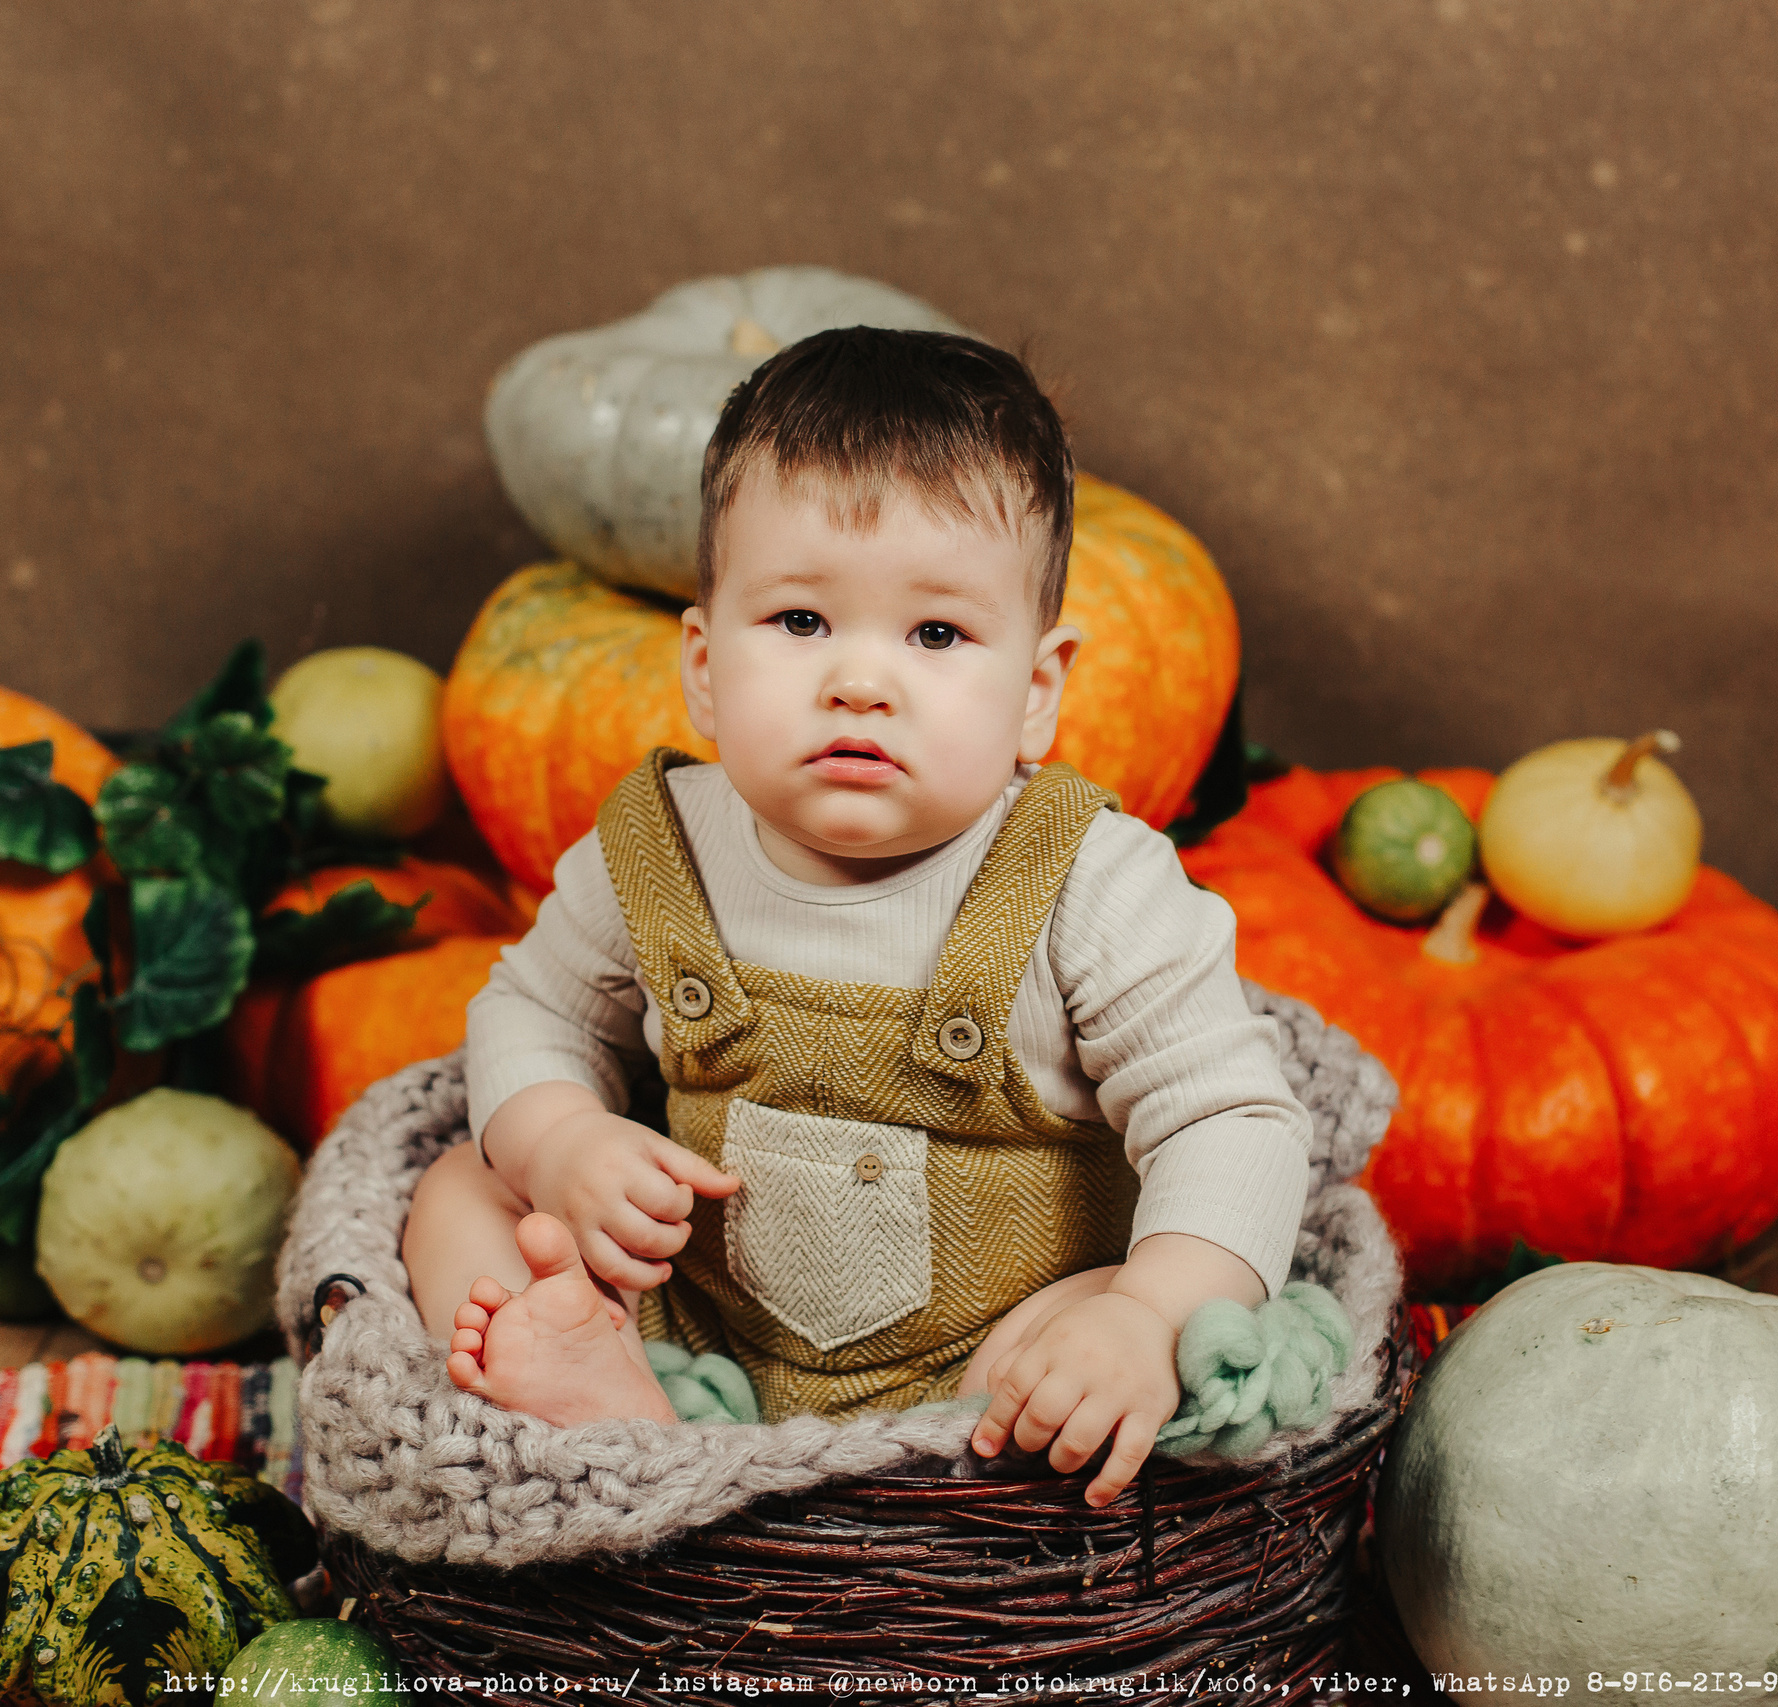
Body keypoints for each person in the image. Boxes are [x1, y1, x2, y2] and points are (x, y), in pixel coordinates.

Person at [401, 326, 1311, 1507]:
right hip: (700, 1326)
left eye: (935, 634)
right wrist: (563, 1140)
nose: (860, 681)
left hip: (988, 1353)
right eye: (799, 622)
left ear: (1037, 691)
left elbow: (1232, 1119)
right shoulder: (654, 850)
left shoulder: (1096, 884)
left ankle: (940, 1470)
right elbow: (530, 1009)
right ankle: (619, 1408)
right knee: (460, 1191)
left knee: (1131, 1329)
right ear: (702, 667)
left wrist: (1148, 1311)